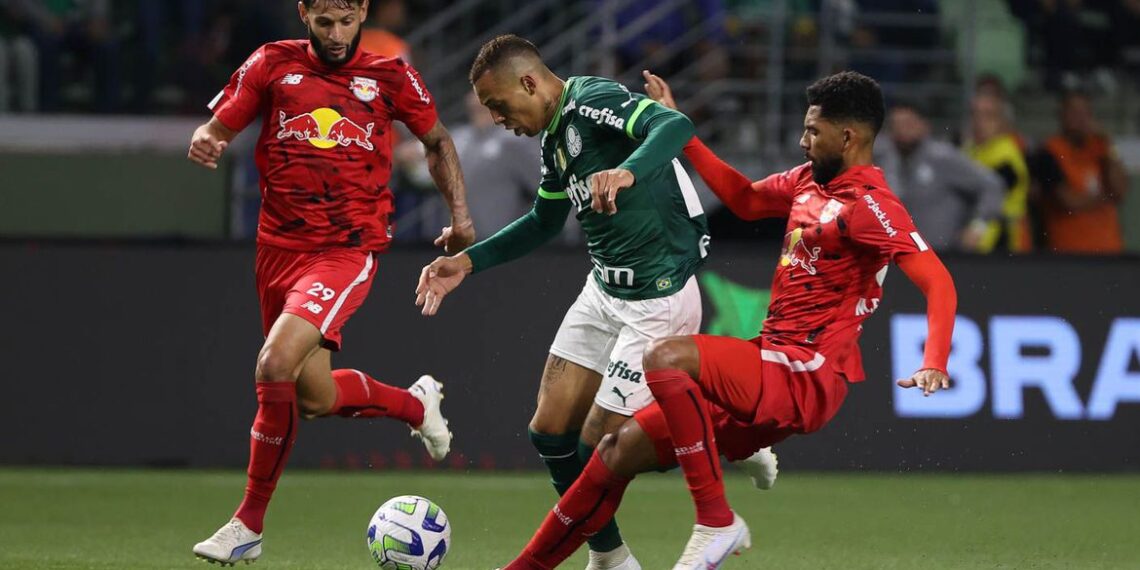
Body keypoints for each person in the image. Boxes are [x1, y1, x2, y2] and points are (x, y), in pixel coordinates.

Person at [497, 70, 957, 570]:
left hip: (807, 372)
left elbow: (939, 283)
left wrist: (934, 360)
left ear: (848, 137)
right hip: (767, 360)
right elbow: (742, 198)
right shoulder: (807, 182)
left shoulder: (871, 206)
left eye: (812, 132)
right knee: (610, 454)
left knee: (666, 359)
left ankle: (716, 519)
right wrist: (681, 129)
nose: (802, 142)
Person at [184, 0, 474, 564]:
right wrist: (207, 139)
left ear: (362, 11)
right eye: (325, 22)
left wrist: (461, 218)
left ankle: (247, 525)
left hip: (344, 250)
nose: (337, 34)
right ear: (304, 13)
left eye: (347, 21)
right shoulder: (272, 63)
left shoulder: (390, 75)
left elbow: (437, 141)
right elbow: (217, 126)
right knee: (312, 397)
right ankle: (416, 406)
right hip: (276, 251)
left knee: (273, 364)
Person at [414, 33, 714, 570]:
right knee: (549, 431)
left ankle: (724, 426)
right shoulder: (553, 141)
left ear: (530, 82)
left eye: (499, 106)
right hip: (603, 291)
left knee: (601, 447)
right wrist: (467, 262)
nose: (499, 119)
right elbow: (544, 221)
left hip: (657, 297)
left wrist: (628, 170)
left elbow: (673, 125)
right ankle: (610, 556)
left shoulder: (592, 100)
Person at [876, 101, 1004, 252]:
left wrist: (978, 226)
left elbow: (992, 185)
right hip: (899, 256)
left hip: (944, 256)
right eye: (896, 125)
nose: (902, 131)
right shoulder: (884, 159)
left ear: (924, 125)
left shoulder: (943, 157)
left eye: (908, 124)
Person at [1030, 89, 1128, 253]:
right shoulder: (1048, 152)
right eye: (1073, 112)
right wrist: (1106, 198)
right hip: (1070, 253)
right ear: (1061, 115)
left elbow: (1120, 191)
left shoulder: (1101, 148)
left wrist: (1108, 145)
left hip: (1110, 251)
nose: (1080, 119)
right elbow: (1068, 201)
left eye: (1084, 112)